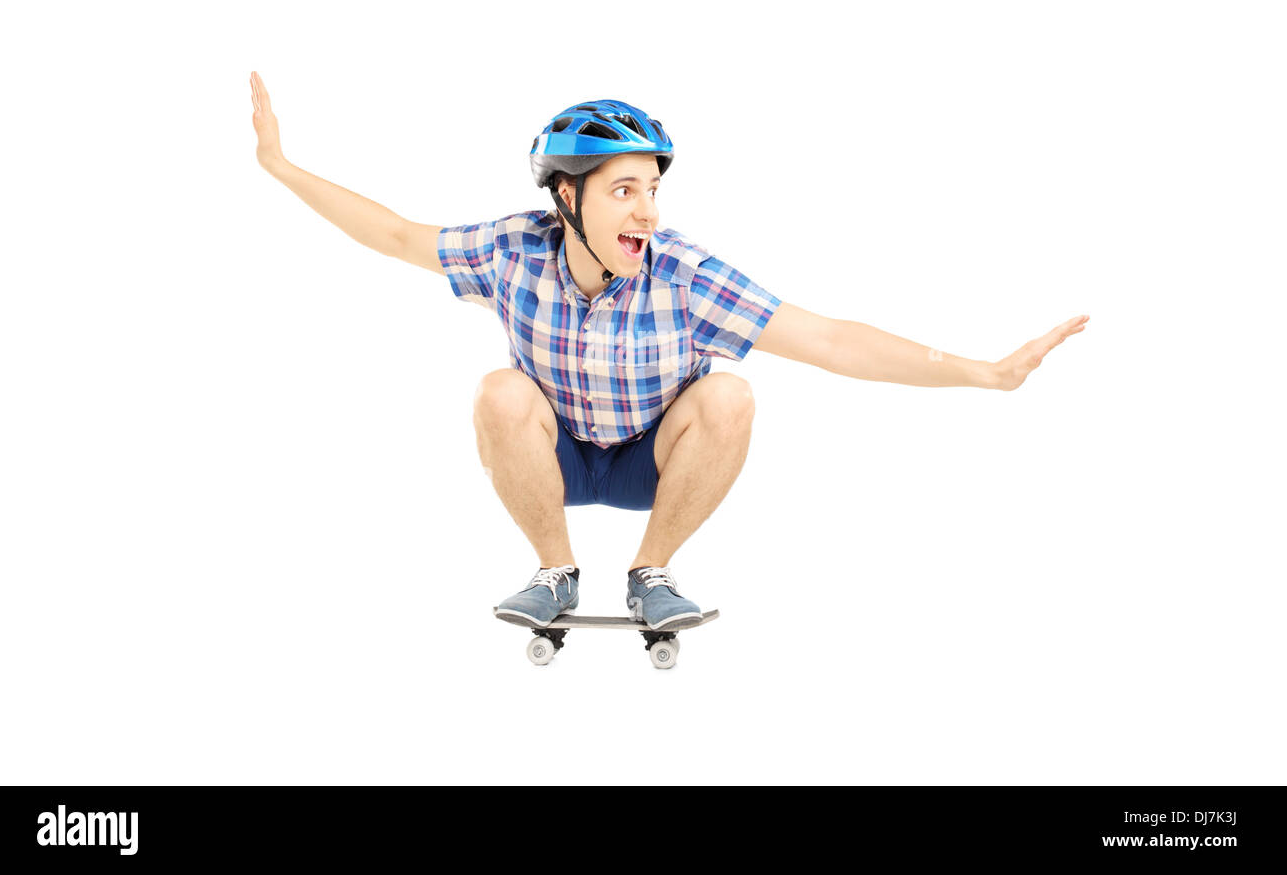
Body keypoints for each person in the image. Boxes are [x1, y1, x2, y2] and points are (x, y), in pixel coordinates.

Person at [249, 73, 1090, 632]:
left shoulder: (684, 274)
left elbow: (830, 339)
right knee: (498, 390)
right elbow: (395, 234)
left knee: (731, 395)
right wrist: (283, 168)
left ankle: (652, 572)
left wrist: (983, 371)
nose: (646, 211)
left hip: (658, 458)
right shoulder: (510, 248)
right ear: (567, 196)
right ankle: (554, 573)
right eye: (624, 190)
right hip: (558, 455)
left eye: (653, 189)